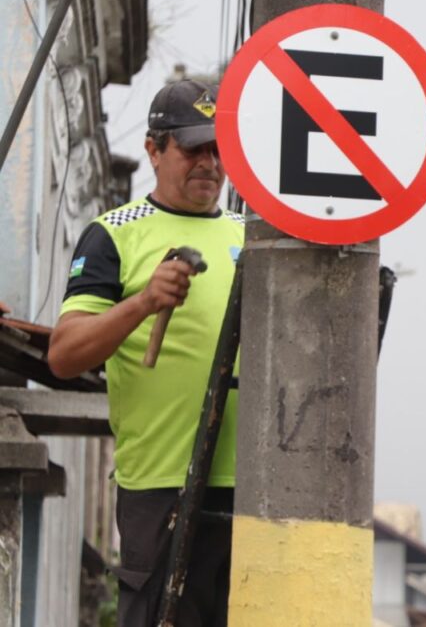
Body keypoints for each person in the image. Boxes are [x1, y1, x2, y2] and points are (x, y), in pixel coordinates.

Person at [48, 79, 244, 627]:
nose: (209, 162)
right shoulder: (113, 235)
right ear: (155, 150)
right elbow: (64, 356)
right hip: (161, 486)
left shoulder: (253, 237)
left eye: (219, 149)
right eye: (193, 147)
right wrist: (142, 302)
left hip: (252, 486)